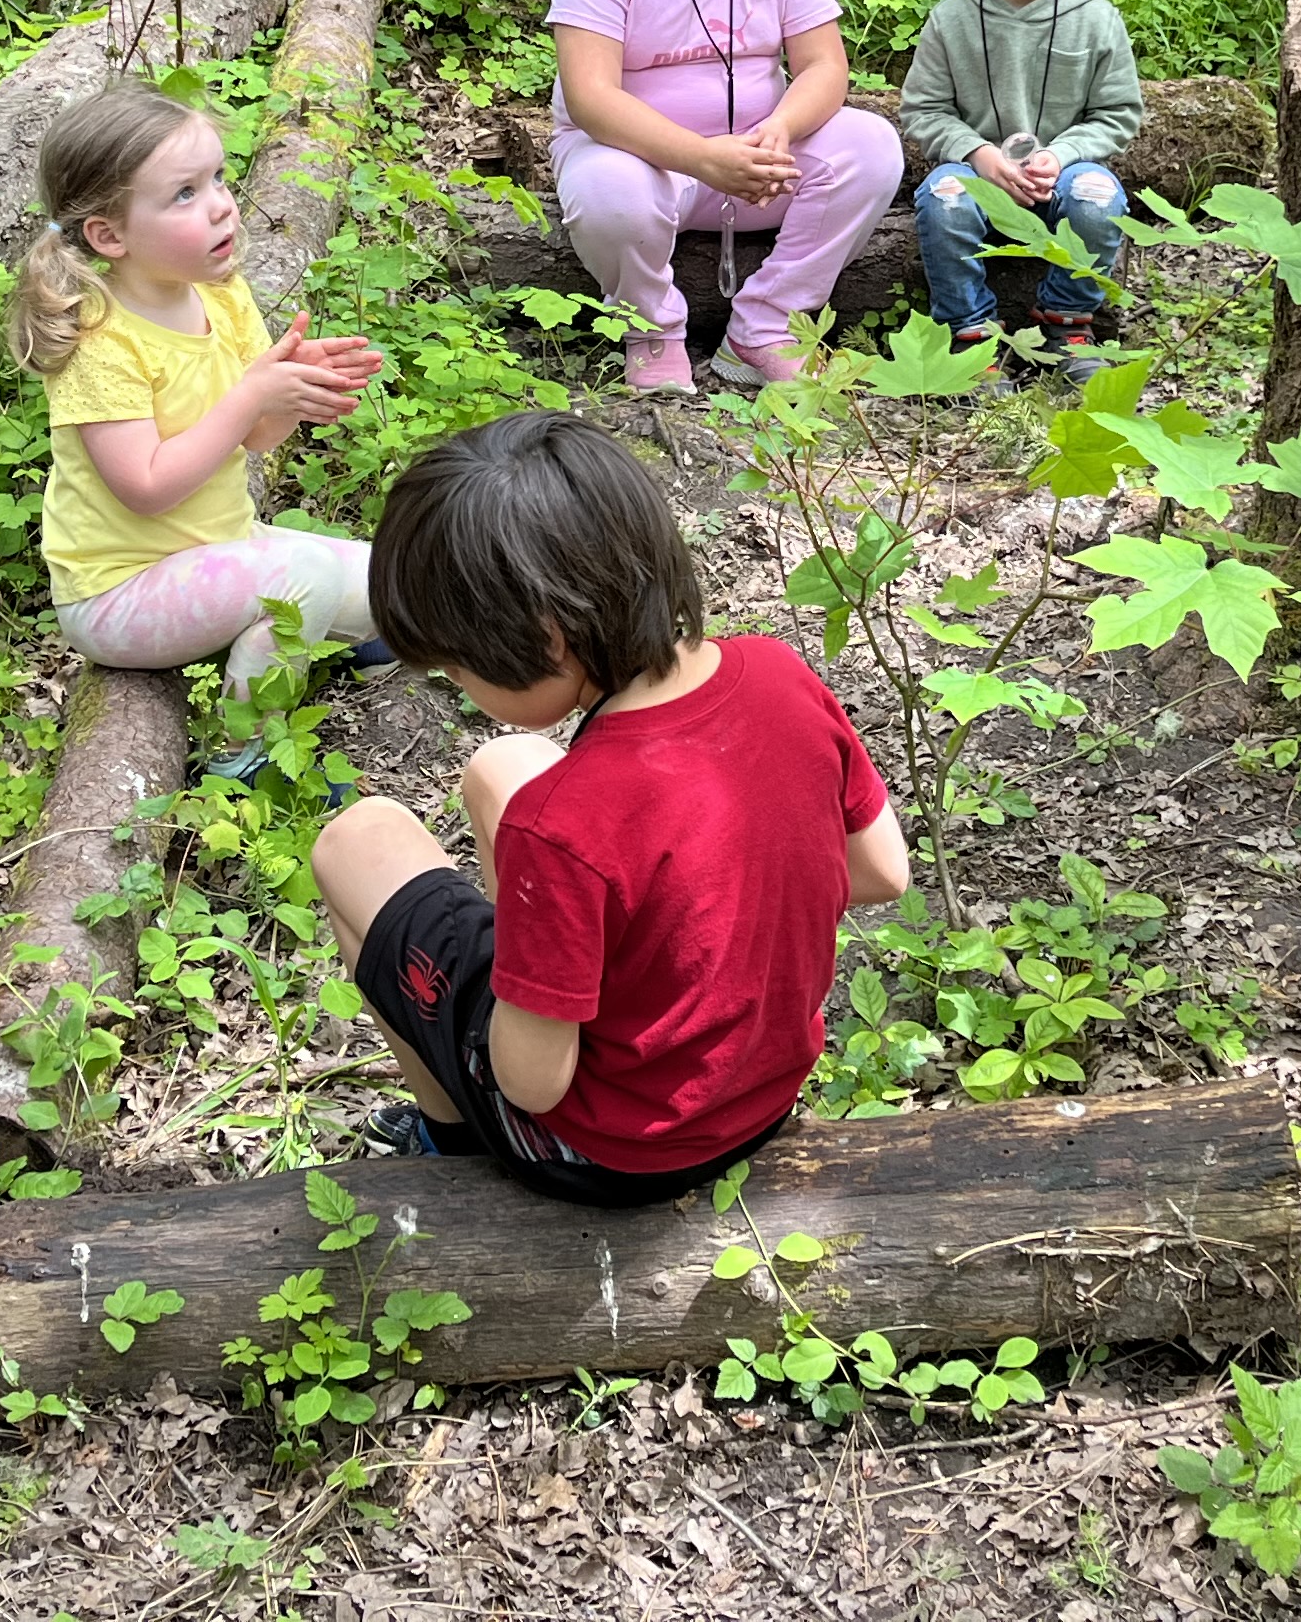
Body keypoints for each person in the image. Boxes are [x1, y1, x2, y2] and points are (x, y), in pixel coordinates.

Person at [306, 413, 909, 1199]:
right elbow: (881, 869)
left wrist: (531, 986)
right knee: (502, 765)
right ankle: (557, 971)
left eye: (457, 668)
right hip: (761, 1093)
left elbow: (534, 1084)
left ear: (548, 639)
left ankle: (445, 1134)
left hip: (608, 1152)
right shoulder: (778, 673)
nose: (460, 686)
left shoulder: (560, 826)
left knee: (357, 838)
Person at [10, 83, 387, 695]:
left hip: (224, 551)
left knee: (392, 575)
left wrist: (287, 392)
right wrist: (251, 393)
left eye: (217, 178)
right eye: (185, 194)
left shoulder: (220, 293)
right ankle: (246, 751)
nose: (220, 206)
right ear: (110, 236)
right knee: (307, 577)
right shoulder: (100, 338)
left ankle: (352, 636)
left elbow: (258, 436)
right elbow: (146, 488)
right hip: (120, 593)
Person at [544, 0, 904, 391]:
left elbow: (824, 64)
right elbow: (591, 98)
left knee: (871, 146)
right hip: (648, 166)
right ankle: (650, 329)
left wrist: (781, 131)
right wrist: (703, 158)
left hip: (758, 166)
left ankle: (767, 325)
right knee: (611, 191)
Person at [899, 0, 1146, 375]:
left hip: (1061, 175)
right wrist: (977, 154)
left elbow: (1119, 112)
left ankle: (1065, 322)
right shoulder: (951, 20)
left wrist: (1063, 154)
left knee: (1099, 195)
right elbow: (924, 110)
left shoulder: (1096, 18)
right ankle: (971, 337)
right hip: (979, 177)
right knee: (943, 197)